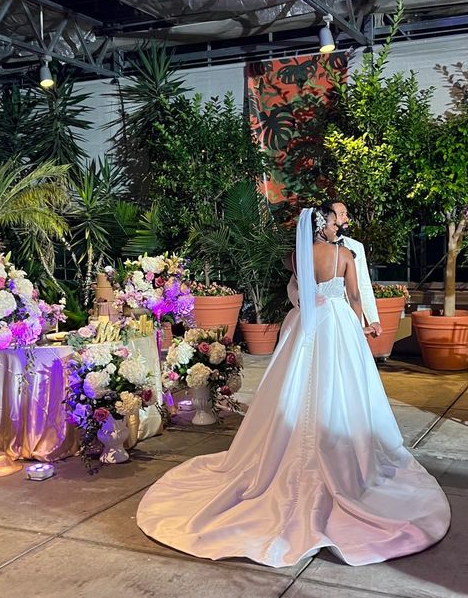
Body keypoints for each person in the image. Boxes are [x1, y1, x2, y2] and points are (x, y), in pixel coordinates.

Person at [137, 205, 450, 568]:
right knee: (344, 386)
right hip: (338, 326)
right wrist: (367, 323)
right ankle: (343, 455)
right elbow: (352, 297)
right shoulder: (344, 254)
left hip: (305, 324)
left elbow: (297, 286)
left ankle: (288, 449)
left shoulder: (296, 256)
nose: (338, 226)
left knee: (295, 384)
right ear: (324, 225)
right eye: (334, 221)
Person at [287, 200, 382, 336]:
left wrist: (373, 320)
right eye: (341, 214)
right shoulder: (306, 253)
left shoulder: (356, 247)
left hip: (348, 317)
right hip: (316, 318)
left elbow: (364, 285)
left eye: (346, 214)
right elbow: (293, 285)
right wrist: (302, 300)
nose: (346, 218)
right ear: (327, 217)